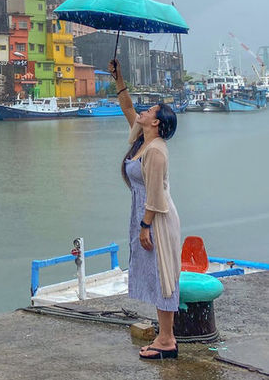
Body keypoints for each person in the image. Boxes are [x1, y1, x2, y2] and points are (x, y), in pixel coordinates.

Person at [109, 58, 181, 360]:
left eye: (150, 110)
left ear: (157, 123)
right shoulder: (142, 140)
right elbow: (127, 107)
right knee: (153, 274)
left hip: (157, 218)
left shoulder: (156, 150)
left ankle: (167, 341)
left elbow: (155, 193)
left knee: (163, 274)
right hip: (145, 215)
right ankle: (164, 337)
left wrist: (145, 225)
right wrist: (119, 78)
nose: (144, 111)